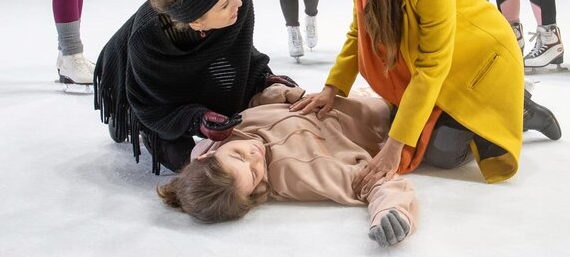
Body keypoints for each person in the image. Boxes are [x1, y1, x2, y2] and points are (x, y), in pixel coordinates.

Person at [291, 0, 561, 190]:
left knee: (442, 152)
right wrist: (332, 89)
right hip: (445, 64)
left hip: (480, 66)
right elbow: (360, 33)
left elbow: (432, 67)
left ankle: (517, 109)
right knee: (404, 128)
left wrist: (394, 147)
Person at [93, 0, 298, 174]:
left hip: (180, 72)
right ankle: (124, 115)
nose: (237, 1)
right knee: (183, 162)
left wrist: (263, 79)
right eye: (225, 4)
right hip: (140, 83)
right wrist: (196, 119)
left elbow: (238, 57)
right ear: (197, 23)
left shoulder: (241, 6)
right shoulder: (146, 40)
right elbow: (153, 102)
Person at [158, 83, 417, 248]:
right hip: (396, 118)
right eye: (254, 173)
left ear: (207, 156)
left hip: (360, 89)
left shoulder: (229, 129)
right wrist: (391, 212)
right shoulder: (299, 176)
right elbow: (374, 181)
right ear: (251, 193)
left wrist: (284, 92)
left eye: (238, 155)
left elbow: (259, 100)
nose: (254, 156)